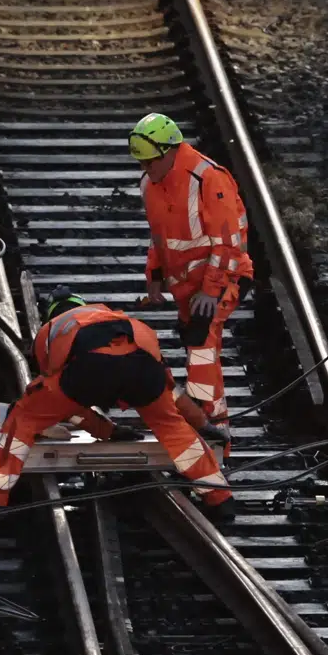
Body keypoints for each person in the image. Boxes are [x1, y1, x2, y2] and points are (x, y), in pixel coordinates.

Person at [0, 288, 235, 523]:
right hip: (142, 367)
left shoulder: (53, 329)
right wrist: (201, 424)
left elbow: (63, 403)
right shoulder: (121, 322)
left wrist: (103, 430)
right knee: (173, 428)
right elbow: (170, 390)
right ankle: (220, 499)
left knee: (24, 418)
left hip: (91, 368)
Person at [131, 113, 254, 440]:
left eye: (151, 161)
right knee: (196, 343)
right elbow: (159, 236)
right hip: (188, 288)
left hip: (223, 278)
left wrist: (212, 291)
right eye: (142, 162)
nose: (147, 168)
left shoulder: (208, 178)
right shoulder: (150, 183)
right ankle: (209, 426)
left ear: (171, 150)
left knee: (201, 344)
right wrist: (154, 275)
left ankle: (210, 429)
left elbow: (228, 242)